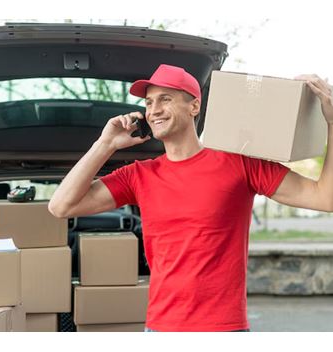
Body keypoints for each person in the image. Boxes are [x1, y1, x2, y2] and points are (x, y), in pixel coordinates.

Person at [48, 64, 333, 332]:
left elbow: (325, 198)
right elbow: (61, 206)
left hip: (224, 329)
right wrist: (105, 144)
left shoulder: (241, 163)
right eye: (148, 103)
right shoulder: (139, 175)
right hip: (160, 327)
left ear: (194, 106)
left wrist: (332, 122)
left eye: (165, 99)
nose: (154, 110)